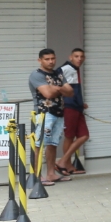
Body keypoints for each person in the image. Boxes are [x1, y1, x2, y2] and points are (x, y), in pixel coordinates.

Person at [28, 48, 73, 186]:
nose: (51, 61)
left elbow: (70, 92)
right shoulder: (36, 75)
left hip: (59, 112)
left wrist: (56, 88)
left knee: (52, 143)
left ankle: (51, 174)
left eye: (53, 58)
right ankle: (36, 176)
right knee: (39, 144)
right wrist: (60, 89)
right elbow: (47, 93)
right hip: (44, 113)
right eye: (47, 59)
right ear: (39, 60)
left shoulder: (58, 73)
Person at [56, 48, 88, 176]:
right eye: (76, 56)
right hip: (70, 107)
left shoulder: (75, 69)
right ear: (71, 57)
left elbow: (72, 90)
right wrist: (64, 101)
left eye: (81, 56)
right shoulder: (66, 69)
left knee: (83, 135)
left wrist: (81, 103)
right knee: (69, 136)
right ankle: (65, 164)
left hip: (77, 107)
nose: (79, 59)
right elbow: (57, 84)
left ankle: (64, 162)